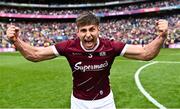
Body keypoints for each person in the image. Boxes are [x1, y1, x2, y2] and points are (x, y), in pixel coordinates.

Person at [6, 12, 168, 109]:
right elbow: (35, 55)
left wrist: (162, 36)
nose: (88, 34)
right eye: (83, 30)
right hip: (78, 103)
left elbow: (146, 53)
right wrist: (16, 41)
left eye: (92, 29)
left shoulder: (110, 46)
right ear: (77, 32)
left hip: (105, 103)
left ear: (98, 29)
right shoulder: (69, 47)